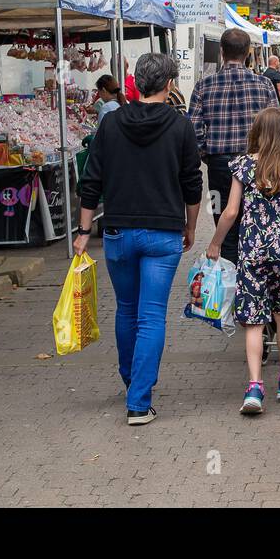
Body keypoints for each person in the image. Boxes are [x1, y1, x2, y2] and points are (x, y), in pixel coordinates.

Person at [76, 53, 202, 427]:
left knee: (126, 310)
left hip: (117, 232)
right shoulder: (181, 127)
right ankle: (138, 401)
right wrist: (190, 226)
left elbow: (90, 181)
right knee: (151, 316)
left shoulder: (111, 124)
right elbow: (192, 184)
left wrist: (83, 232)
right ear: (168, 85)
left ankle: (133, 381)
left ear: (136, 83)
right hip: (163, 234)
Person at [207, 107, 280, 415]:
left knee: (253, 319)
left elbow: (229, 212)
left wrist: (215, 243)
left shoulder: (242, 166)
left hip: (251, 249)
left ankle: (254, 387)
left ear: (257, 132)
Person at [188, 28, 279, 264]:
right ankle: (253, 279)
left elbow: (194, 130)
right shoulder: (265, 84)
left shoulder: (203, 86)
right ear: (248, 52)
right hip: (258, 166)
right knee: (257, 223)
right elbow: (276, 127)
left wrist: (207, 154)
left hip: (220, 166)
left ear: (221, 52)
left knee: (223, 220)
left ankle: (231, 280)